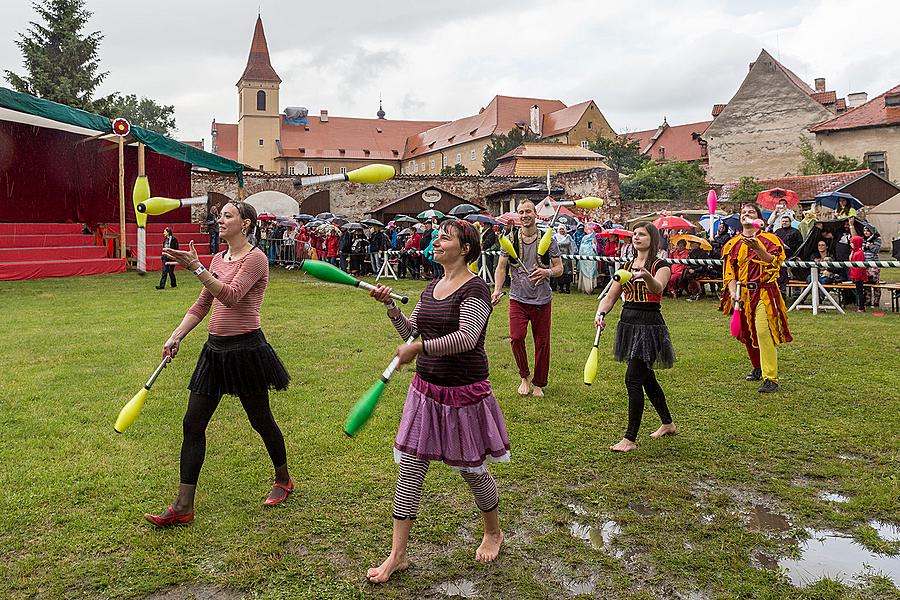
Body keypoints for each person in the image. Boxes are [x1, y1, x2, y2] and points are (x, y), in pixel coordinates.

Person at [366, 219, 509, 583]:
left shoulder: (475, 289)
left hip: (464, 393)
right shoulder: (432, 287)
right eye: (436, 236)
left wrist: (419, 347)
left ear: (465, 249)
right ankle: (397, 555)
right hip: (426, 391)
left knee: (472, 470)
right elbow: (413, 331)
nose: (437, 240)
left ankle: (493, 531)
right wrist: (393, 311)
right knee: (410, 469)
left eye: (445, 237)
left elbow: (466, 337)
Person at [145, 202, 292, 527]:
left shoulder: (256, 259)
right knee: (192, 424)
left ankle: (283, 479)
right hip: (215, 351)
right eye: (220, 216)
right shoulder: (216, 259)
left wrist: (198, 269)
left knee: (260, 419)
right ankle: (183, 505)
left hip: (246, 351)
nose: (220, 220)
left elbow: (231, 296)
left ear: (246, 223)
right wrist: (177, 335)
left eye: (227, 215)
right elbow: (202, 304)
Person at [594, 222, 676, 452]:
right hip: (628, 323)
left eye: (641, 234)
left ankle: (629, 439)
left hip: (649, 325)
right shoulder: (626, 266)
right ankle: (668, 423)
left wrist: (647, 276)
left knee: (633, 379)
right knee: (646, 378)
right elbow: (610, 297)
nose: (636, 238)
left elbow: (658, 288)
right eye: (634, 234)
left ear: (652, 238)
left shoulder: (661, 265)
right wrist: (600, 313)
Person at [492, 200, 563, 397]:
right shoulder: (510, 239)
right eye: (521, 212)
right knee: (516, 338)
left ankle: (539, 384)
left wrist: (546, 272)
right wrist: (497, 290)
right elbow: (501, 267)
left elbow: (559, 268)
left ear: (535, 214)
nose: (524, 215)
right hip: (518, 298)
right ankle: (525, 376)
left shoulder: (548, 239)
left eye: (528, 212)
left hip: (542, 300)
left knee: (542, 343)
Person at [720, 204, 792, 393]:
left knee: (762, 332)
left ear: (758, 218)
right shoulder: (732, 243)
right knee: (744, 332)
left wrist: (758, 248)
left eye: (751, 212)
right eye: (743, 212)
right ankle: (757, 367)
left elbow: (774, 263)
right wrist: (733, 291)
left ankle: (771, 378)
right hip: (742, 293)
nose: (746, 214)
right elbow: (730, 272)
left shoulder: (770, 239)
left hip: (764, 292)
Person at [862, 226, 882, 307]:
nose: (866, 232)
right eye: (864, 231)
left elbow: (876, 250)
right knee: (866, 283)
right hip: (865, 264)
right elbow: (861, 248)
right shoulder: (863, 239)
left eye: (868, 231)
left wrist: (870, 246)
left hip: (874, 264)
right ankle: (868, 300)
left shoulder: (877, 239)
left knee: (875, 283)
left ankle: (876, 301)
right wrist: (865, 246)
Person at [551, 224, 573, 293]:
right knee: (560, 272)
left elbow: (569, 243)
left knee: (567, 273)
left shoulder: (568, 236)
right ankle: (560, 288)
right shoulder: (555, 237)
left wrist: (559, 243)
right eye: (560, 229)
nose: (561, 230)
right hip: (558, 257)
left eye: (562, 229)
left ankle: (567, 288)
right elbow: (554, 245)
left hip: (567, 257)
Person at [849, 235, 867, 313]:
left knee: (860, 292)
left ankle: (861, 307)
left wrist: (857, 276)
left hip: (858, 276)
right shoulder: (854, 252)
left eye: (852, 243)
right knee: (857, 291)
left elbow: (860, 267)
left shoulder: (859, 253)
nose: (850, 244)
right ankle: (859, 305)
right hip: (854, 275)